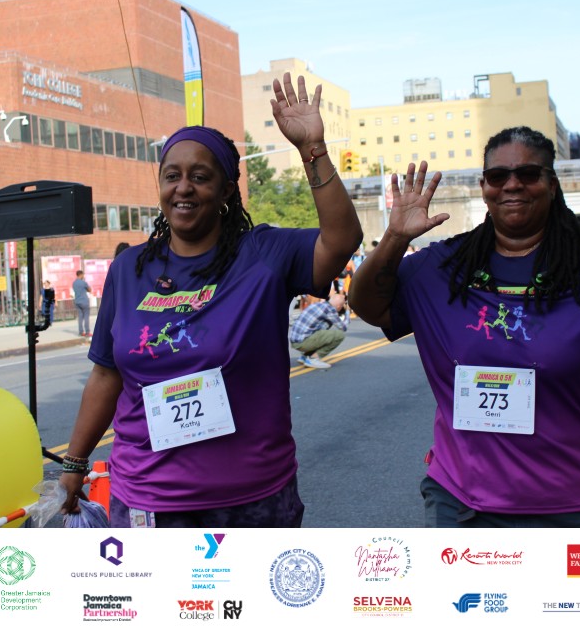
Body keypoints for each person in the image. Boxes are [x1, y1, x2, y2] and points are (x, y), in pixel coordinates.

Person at [349, 126, 580, 528]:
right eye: (498, 176)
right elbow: (369, 306)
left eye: (528, 174)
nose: (512, 185)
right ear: (484, 187)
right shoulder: (442, 266)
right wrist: (395, 238)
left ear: (552, 184)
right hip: (466, 504)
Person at [59, 73, 362, 527]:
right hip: (147, 497)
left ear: (225, 190)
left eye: (200, 177)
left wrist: (312, 149)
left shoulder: (263, 255)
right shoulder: (129, 269)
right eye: (172, 176)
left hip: (250, 498)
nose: (183, 188)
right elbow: (106, 374)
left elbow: (342, 240)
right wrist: (74, 464)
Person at [289, 292, 348, 369]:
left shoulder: (318, 304)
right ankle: (313, 359)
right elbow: (343, 328)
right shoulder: (330, 309)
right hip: (302, 342)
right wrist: (346, 314)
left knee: (323, 332)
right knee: (339, 335)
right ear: (339, 306)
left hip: (295, 341)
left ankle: (305, 356)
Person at [72, 270, 92, 337]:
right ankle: (87, 332)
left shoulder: (74, 283)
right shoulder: (83, 282)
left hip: (77, 301)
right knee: (86, 317)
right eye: (83, 275)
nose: (83, 276)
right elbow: (89, 290)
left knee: (80, 317)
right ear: (81, 275)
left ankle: (81, 332)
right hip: (84, 301)